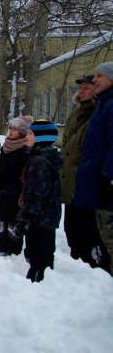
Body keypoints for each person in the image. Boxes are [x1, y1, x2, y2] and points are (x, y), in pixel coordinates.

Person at [61, 74, 110, 271]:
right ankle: (78, 269)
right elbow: (67, 144)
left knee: (90, 231)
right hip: (72, 179)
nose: (82, 90)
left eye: (87, 87)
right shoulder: (78, 112)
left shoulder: (99, 112)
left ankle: (94, 270)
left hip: (88, 179)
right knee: (72, 228)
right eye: (80, 87)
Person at [73, 62, 113, 274]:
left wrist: (108, 177)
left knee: (106, 241)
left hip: (102, 184)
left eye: (99, 76)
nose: (94, 79)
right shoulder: (102, 105)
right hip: (91, 181)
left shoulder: (109, 106)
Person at [14, 120, 63, 282]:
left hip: (39, 218)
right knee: (44, 252)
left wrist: (26, 218)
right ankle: (40, 277)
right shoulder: (45, 157)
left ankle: (38, 282)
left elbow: (37, 194)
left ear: (41, 138)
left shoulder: (38, 162)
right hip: (47, 216)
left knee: (38, 255)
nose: (26, 137)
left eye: (30, 134)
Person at [0, 116, 32, 255]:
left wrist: (22, 193)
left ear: (21, 132)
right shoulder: (6, 147)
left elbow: (25, 174)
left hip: (16, 190)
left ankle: (13, 248)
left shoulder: (25, 149)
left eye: (14, 129)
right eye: (9, 128)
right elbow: (0, 168)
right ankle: (1, 244)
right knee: (1, 219)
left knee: (14, 220)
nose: (10, 131)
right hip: (3, 188)